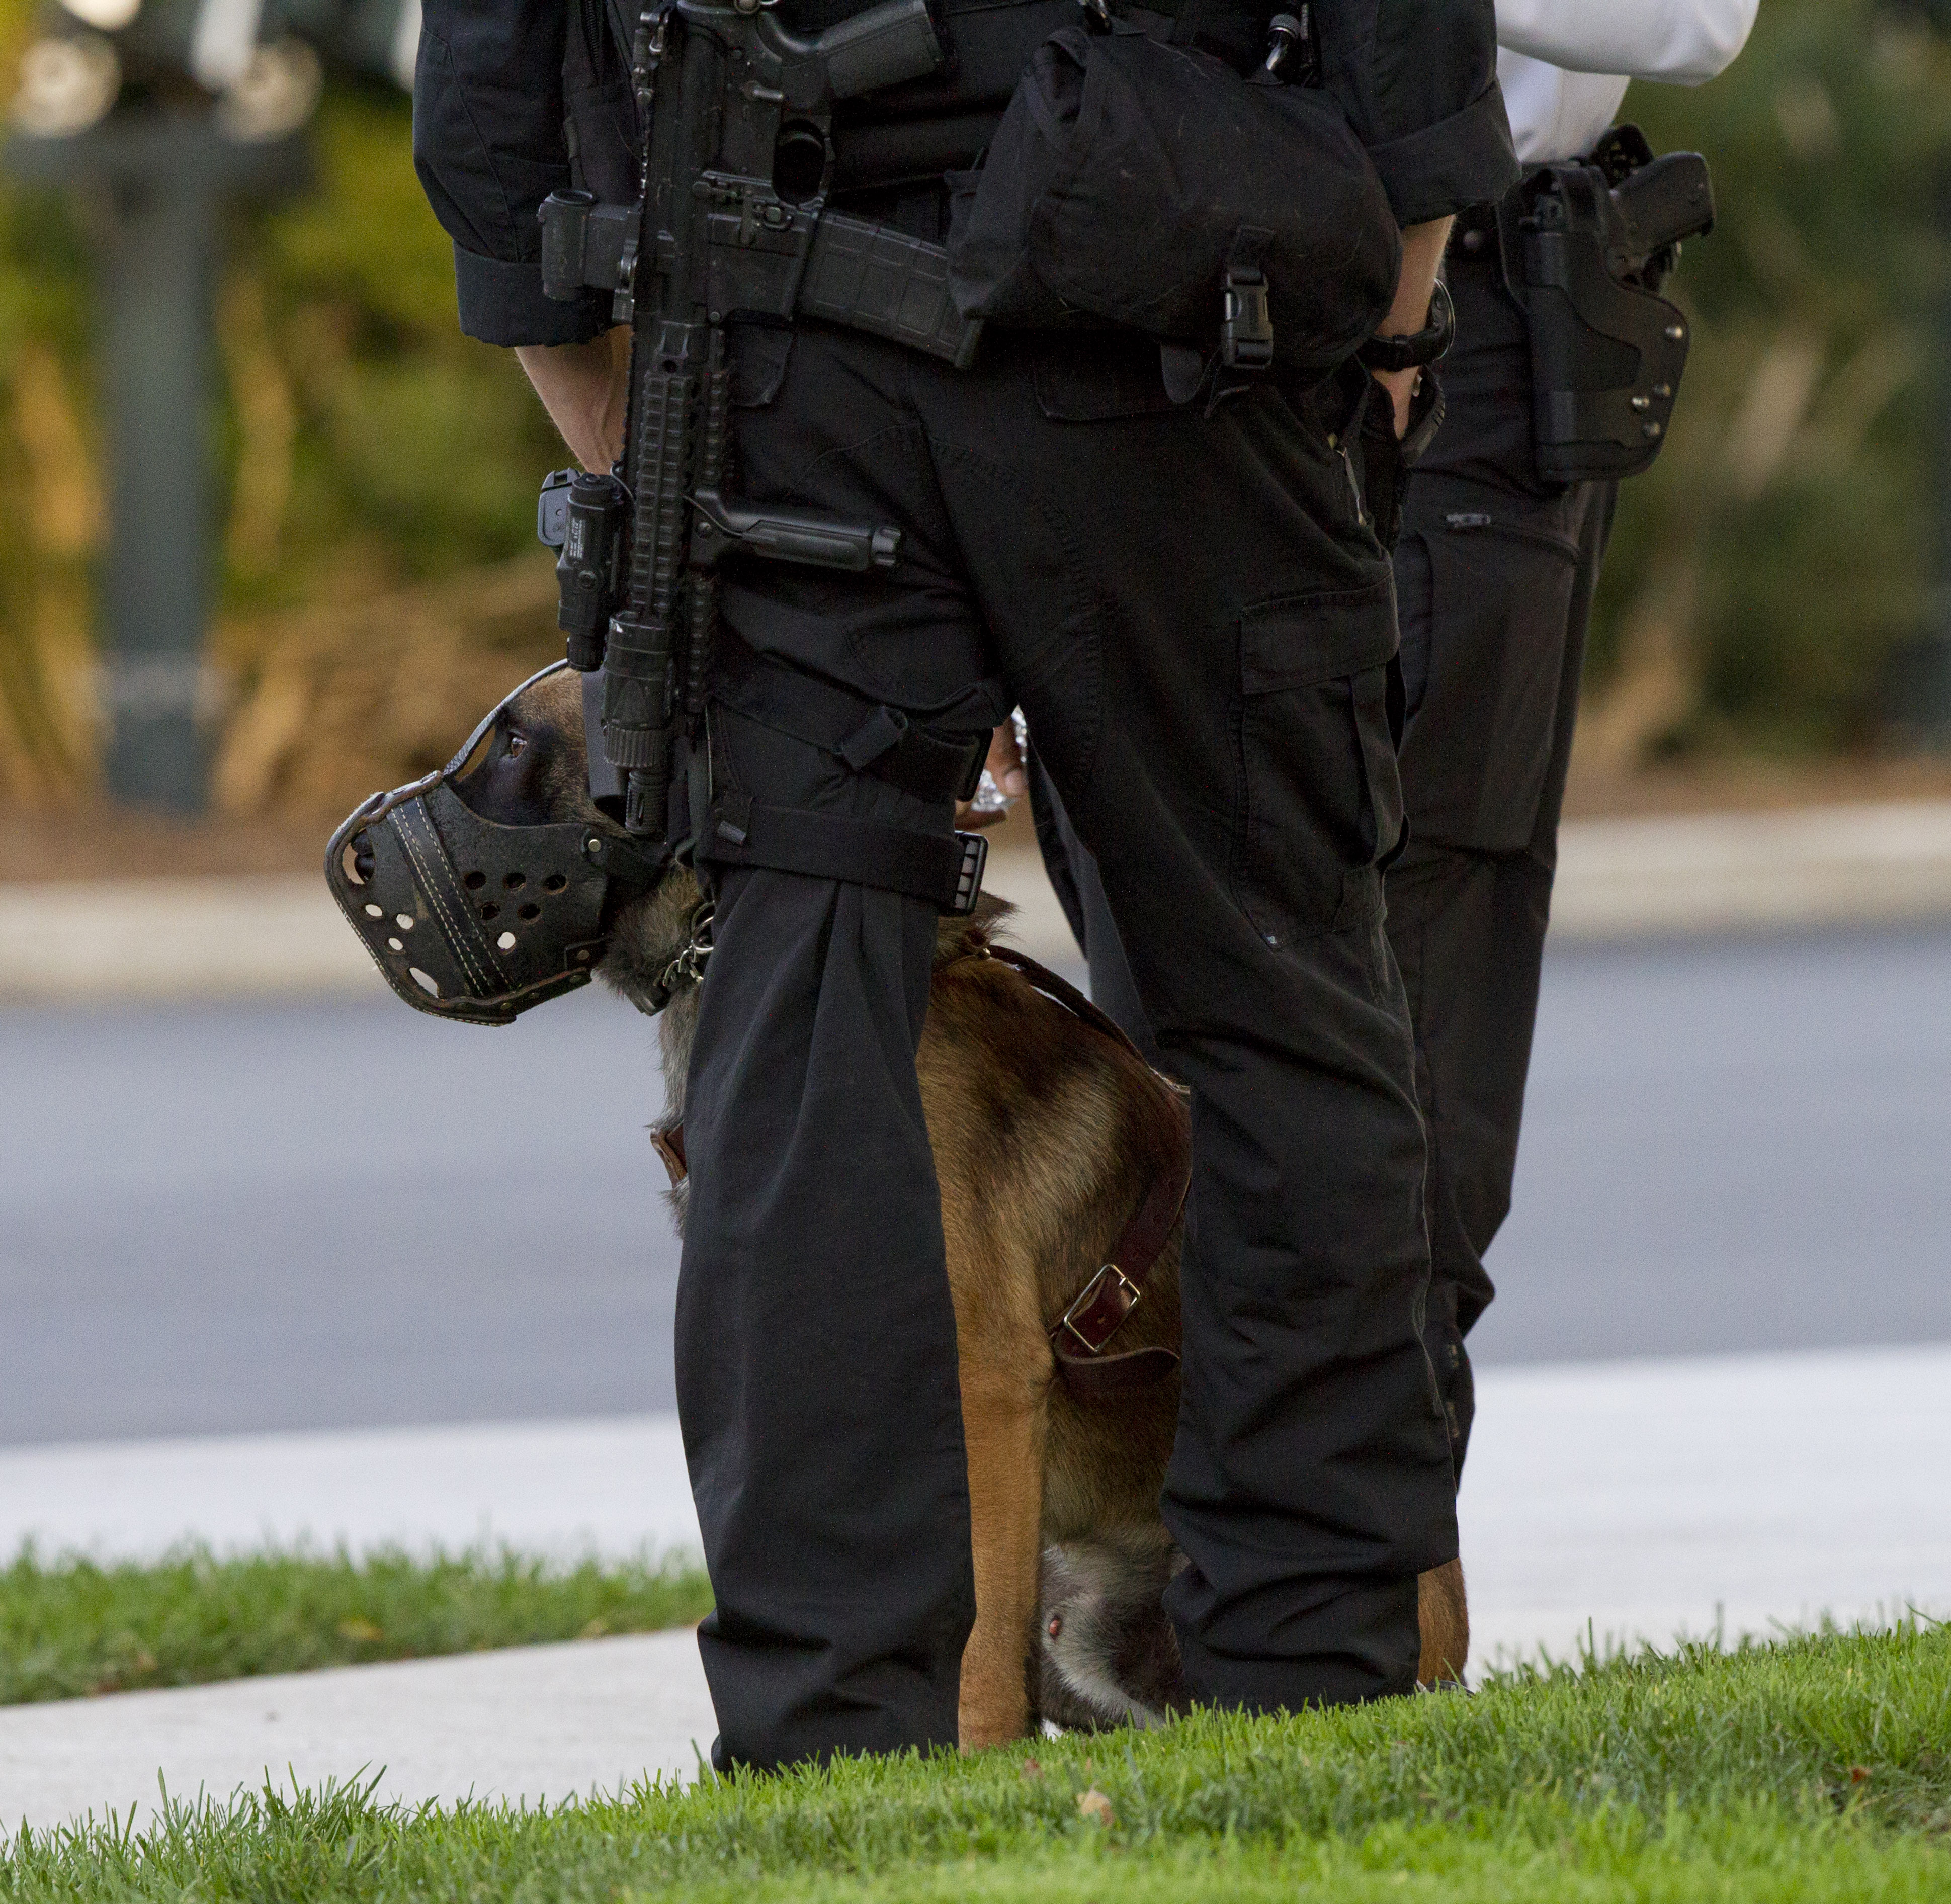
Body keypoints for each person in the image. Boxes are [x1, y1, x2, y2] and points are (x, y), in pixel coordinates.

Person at [415, 0, 1515, 1766]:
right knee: (1277, 983)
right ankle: (1313, 1664)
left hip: (777, 343)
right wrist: (1384, 342)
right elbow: (1413, 55)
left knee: (795, 1022)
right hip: (1181, 315)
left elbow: (488, 92)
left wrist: (622, 424)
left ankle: (838, 1717)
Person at [1032, 0, 1757, 1481]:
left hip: (1452, 328)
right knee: (1159, 1031)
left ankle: (1345, 1616)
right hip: (1139, 284)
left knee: (1409, 1026)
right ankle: (1191, 1616)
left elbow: (1696, 12)